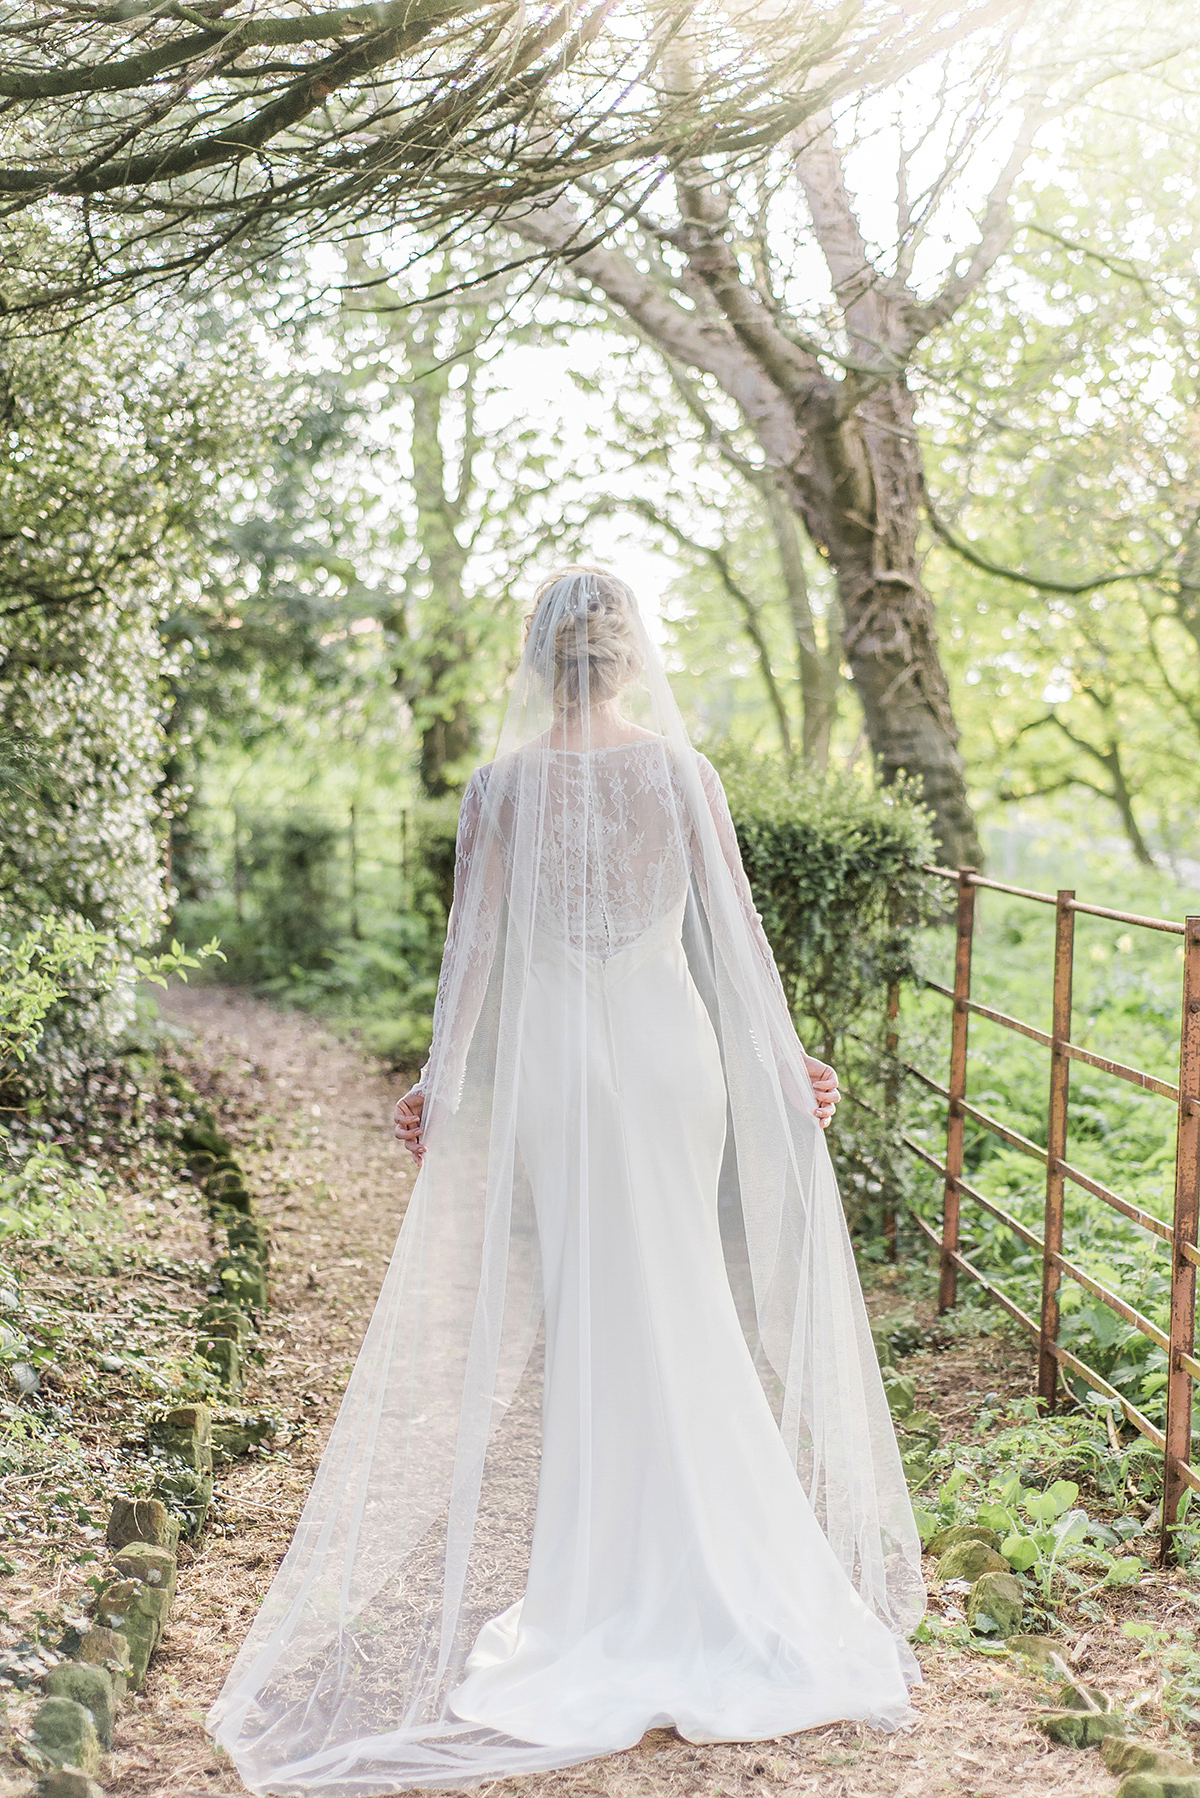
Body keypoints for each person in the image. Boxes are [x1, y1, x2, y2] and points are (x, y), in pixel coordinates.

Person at [208, 568, 924, 1796]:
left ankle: (606, 1581)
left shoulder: (499, 790)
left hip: (564, 1078)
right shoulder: (681, 777)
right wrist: (783, 1055)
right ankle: (726, 1567)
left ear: (539, 664)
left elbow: (473, 952)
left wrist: (439, 1079)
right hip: (668, 1058)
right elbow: (735, 939)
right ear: (631, 659)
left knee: (600, 1312)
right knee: (688, 1295)